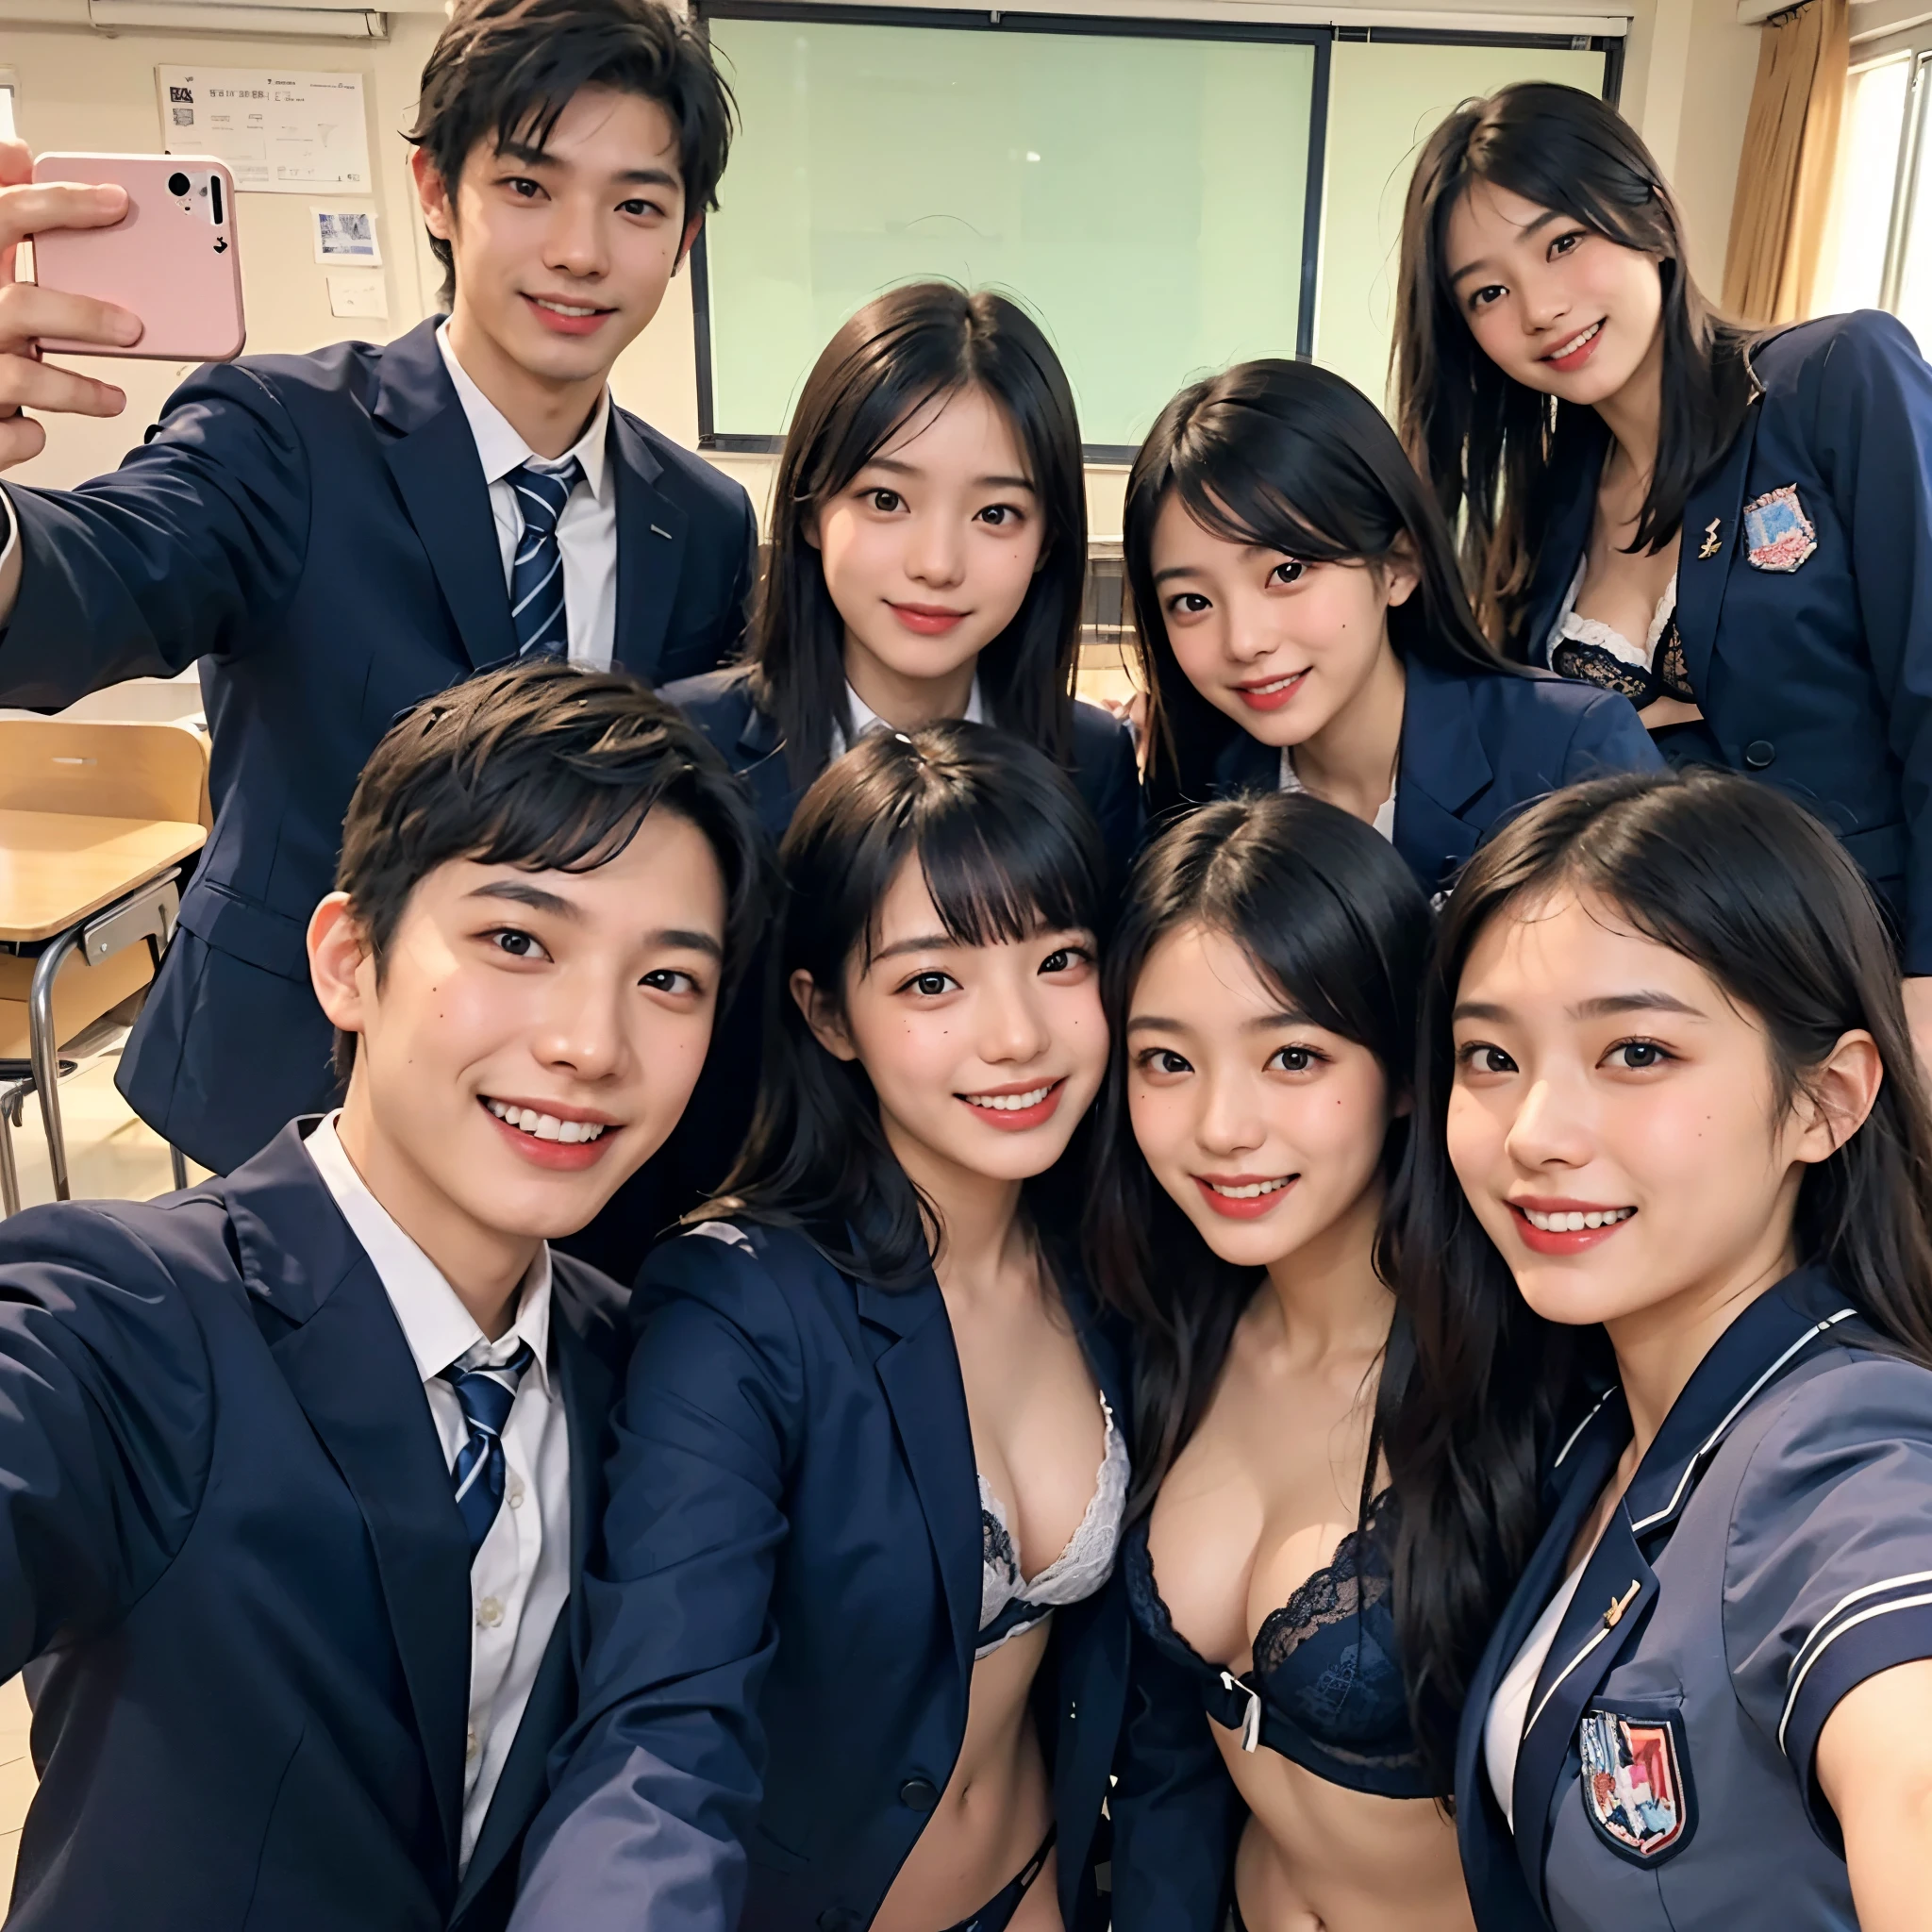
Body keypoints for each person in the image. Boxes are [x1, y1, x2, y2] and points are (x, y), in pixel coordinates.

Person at [0, 659, 767, 1932]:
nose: (591, 1043)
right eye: (517, 941)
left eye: (668, 979)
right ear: (350, 960)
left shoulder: (646, 1365)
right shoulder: (125, 1316)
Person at [0, 0, 757, 1179]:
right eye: (527, 187)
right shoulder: (284, 435)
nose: (580, 249)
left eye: (636, 204)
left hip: (567, 1110)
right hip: (293, 1093)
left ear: (685, 233)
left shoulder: (702, 521)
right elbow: (89, 583)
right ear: (436, 189)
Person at [510, 723, 1129, 1932]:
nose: (1015, 1034)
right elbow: (660, 1717)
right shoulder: (739, 1302)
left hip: (1041, 1888)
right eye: (931, 981)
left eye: (1059, 960)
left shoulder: (1103, 1258)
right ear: (827, 1011)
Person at [1382, 766, 1932, 1931]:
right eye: (1489, 1056)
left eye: (1634, 1052)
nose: (1534, 1133)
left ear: (1823, 1101)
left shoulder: (1843, 1452)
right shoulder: (1601, 1414)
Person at [1395, 81, 1932, 1070]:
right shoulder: (1543, 514)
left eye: (1560, 242)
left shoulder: (1834, 381)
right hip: (1656, 1015)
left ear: (1644, 213)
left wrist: (1926, 988)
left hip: (1868, 981)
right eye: (1485, 291)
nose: (1539, 308)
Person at [1091, 793, 1473, 1932]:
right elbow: (1171, 1754)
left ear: (1403, 1071)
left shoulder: (1513, 1369)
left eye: (1292, 1055)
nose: (1220, 1125)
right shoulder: (1169, 1324)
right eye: (1165, 1059)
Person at [1122, 358, 1657, 901]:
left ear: (1398, 565)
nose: (1243, 641)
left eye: (1287, 572)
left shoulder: (1570, 752)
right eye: (1192, 601)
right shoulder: (1195, 796)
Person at [665, 282, 1141, 875]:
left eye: (995, 514)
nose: (937, 565)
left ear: (1048, 541)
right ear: (811, 510)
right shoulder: (686, 750)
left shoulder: (1093, 765)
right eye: (886, 499)